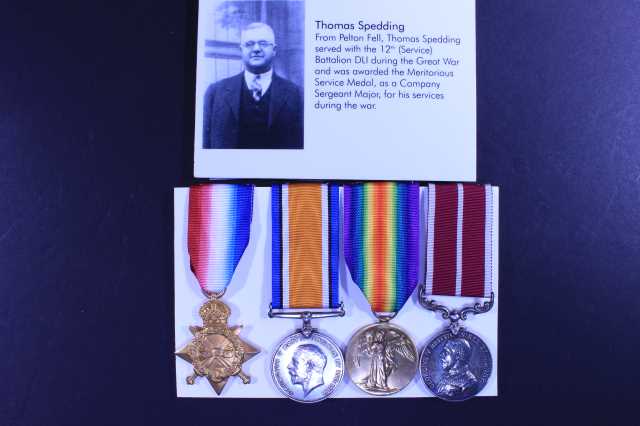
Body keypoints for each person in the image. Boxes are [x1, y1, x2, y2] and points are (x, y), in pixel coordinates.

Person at [202, 22, 303, 149]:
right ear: (241, 50)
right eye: (249, 44)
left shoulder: (297, 95)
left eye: (263, 43)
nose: (256, 49)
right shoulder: (215, 93)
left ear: (274, 50)